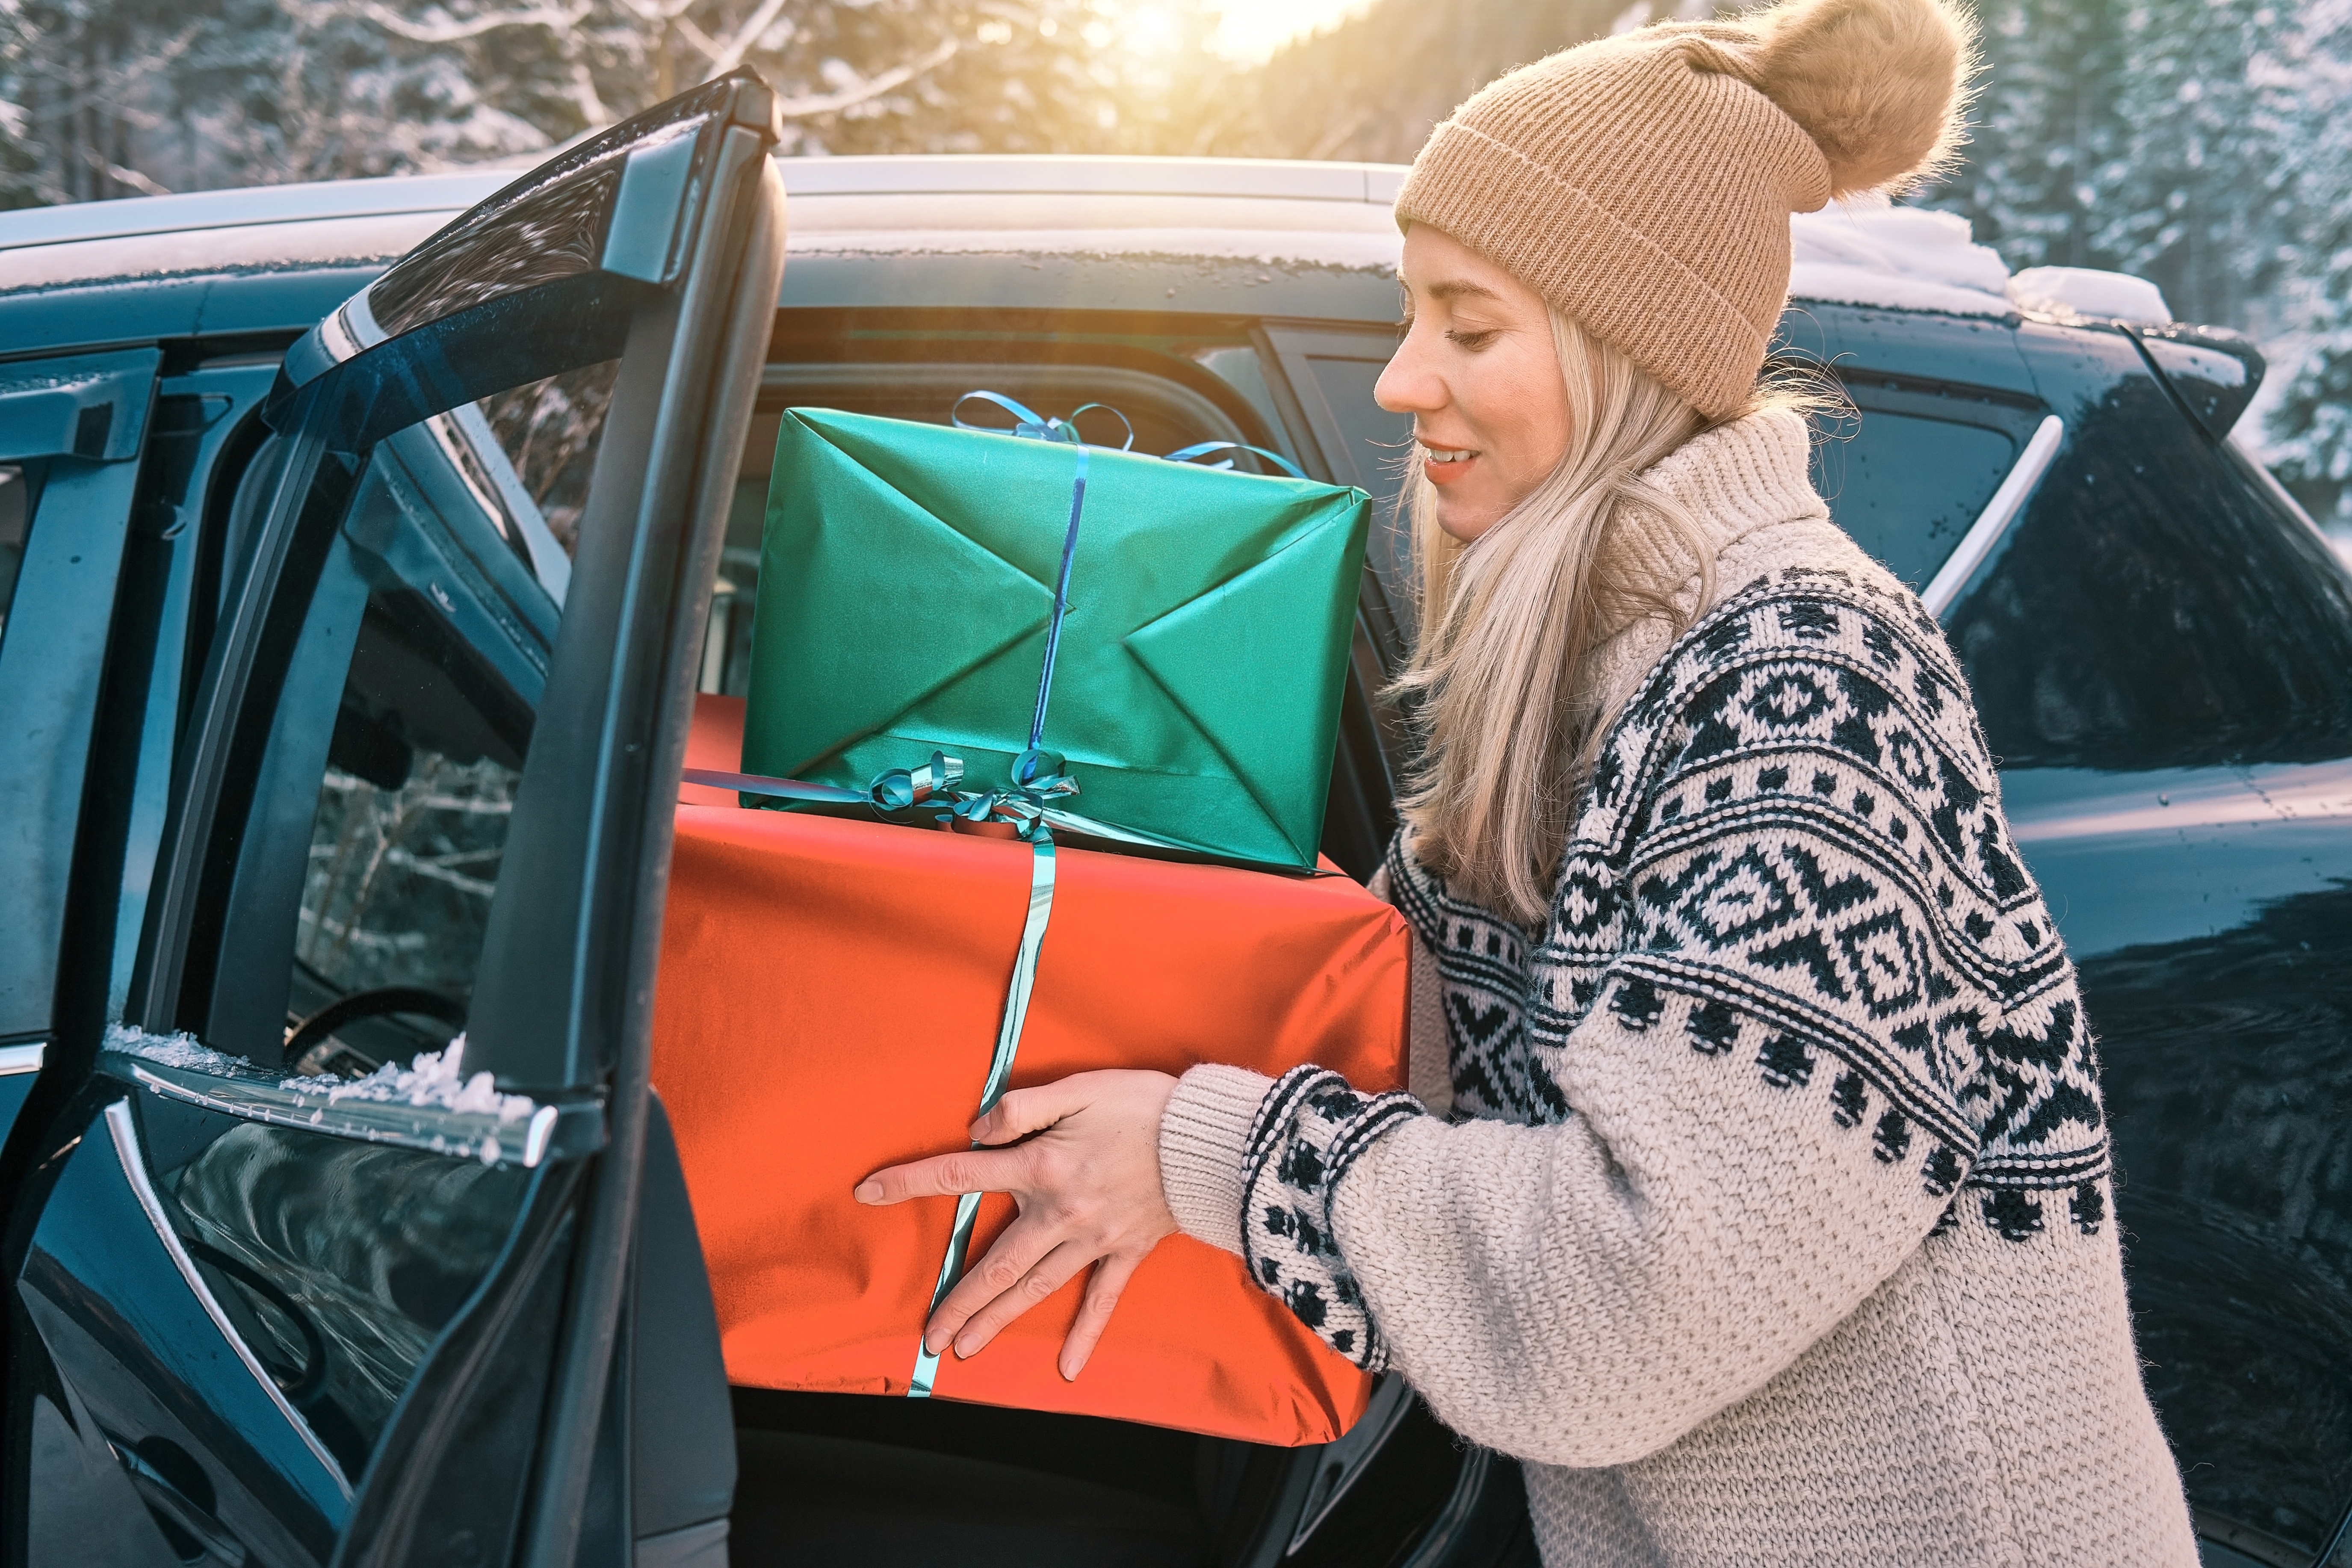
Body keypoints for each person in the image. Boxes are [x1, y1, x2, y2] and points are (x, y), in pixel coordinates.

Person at [856, 0, 2201, 1558]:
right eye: (1410, 316)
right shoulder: (1588, 673)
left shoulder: (1799, 682)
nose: (1400, 382)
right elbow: (1383, 1036)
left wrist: (1203, 1151)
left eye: (1468, 325)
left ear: (1619, 347)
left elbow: (1629, 1304)